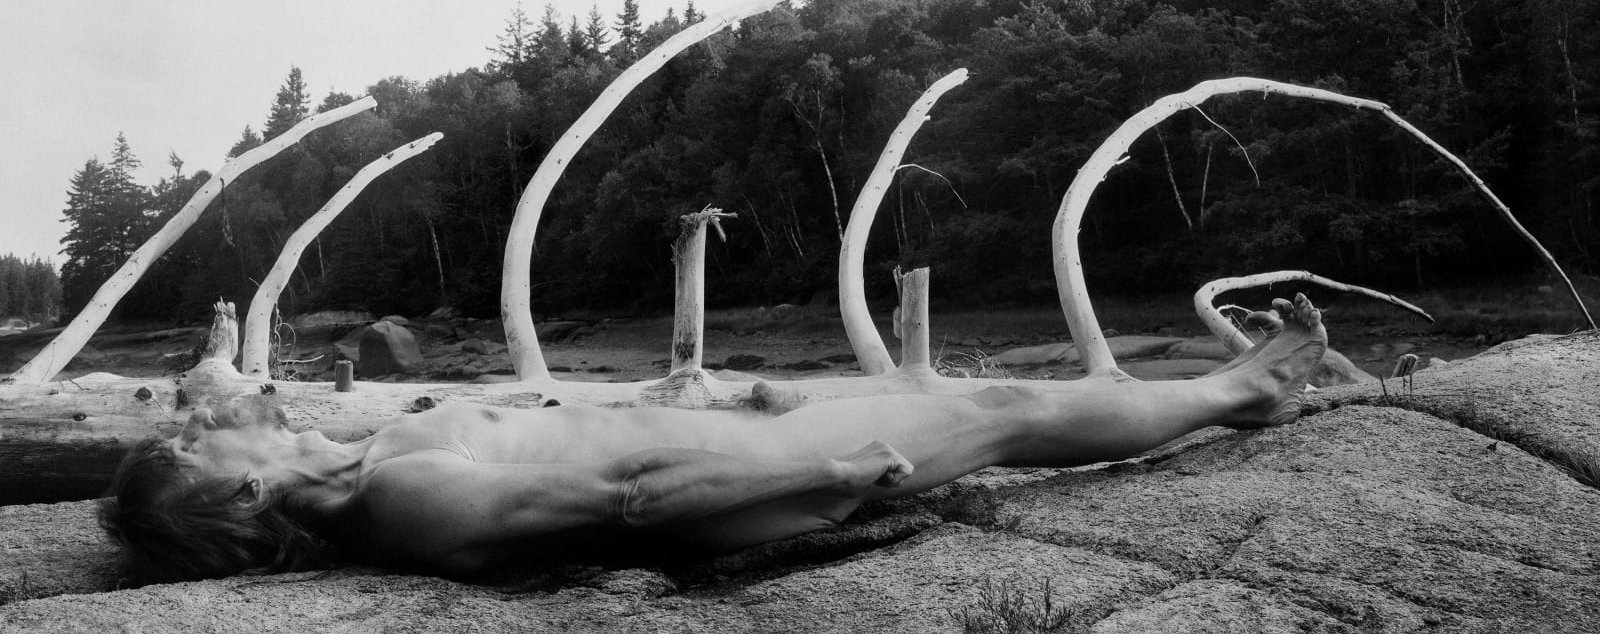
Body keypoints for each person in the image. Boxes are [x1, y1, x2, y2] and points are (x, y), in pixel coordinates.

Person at [102, 295, 1327, 582]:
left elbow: (585, 428)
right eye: (207, 435)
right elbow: (622, 496)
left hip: (715, 444)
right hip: (729, 492)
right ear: (246, 489)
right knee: (1001, 412)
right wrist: (824, 470)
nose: (224, 407)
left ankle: (1228, 391)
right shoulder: (411, 494)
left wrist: (721, 399)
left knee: (987, 403)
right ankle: (1238, 396)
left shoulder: (379, 461)